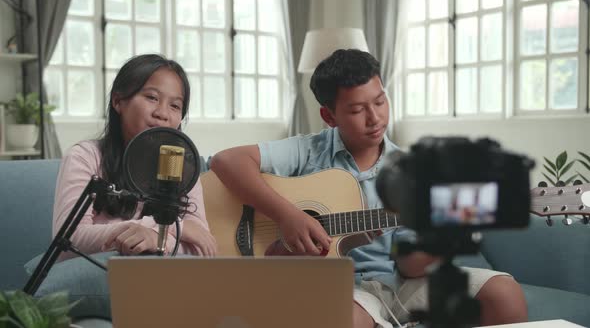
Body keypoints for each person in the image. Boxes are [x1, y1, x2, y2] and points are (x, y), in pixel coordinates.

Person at [210, 49, 527, 327]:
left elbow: (409, 264)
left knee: (504, 293)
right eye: (357, 110)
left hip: (396, 282)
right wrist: (286, 215)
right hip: (337, 288)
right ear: (329, 116)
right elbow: (227, 161)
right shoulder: (306, 151)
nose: (375, 118)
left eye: (380, 101)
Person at [53, 54, 217, 259]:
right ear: (118, 101)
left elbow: (202, 246)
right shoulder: (85, 157)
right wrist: (174, 229)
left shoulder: (182, 166)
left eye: (175, 105)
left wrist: (155, 239)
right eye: (152, 98)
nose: (162, 113)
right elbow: (70, 238)